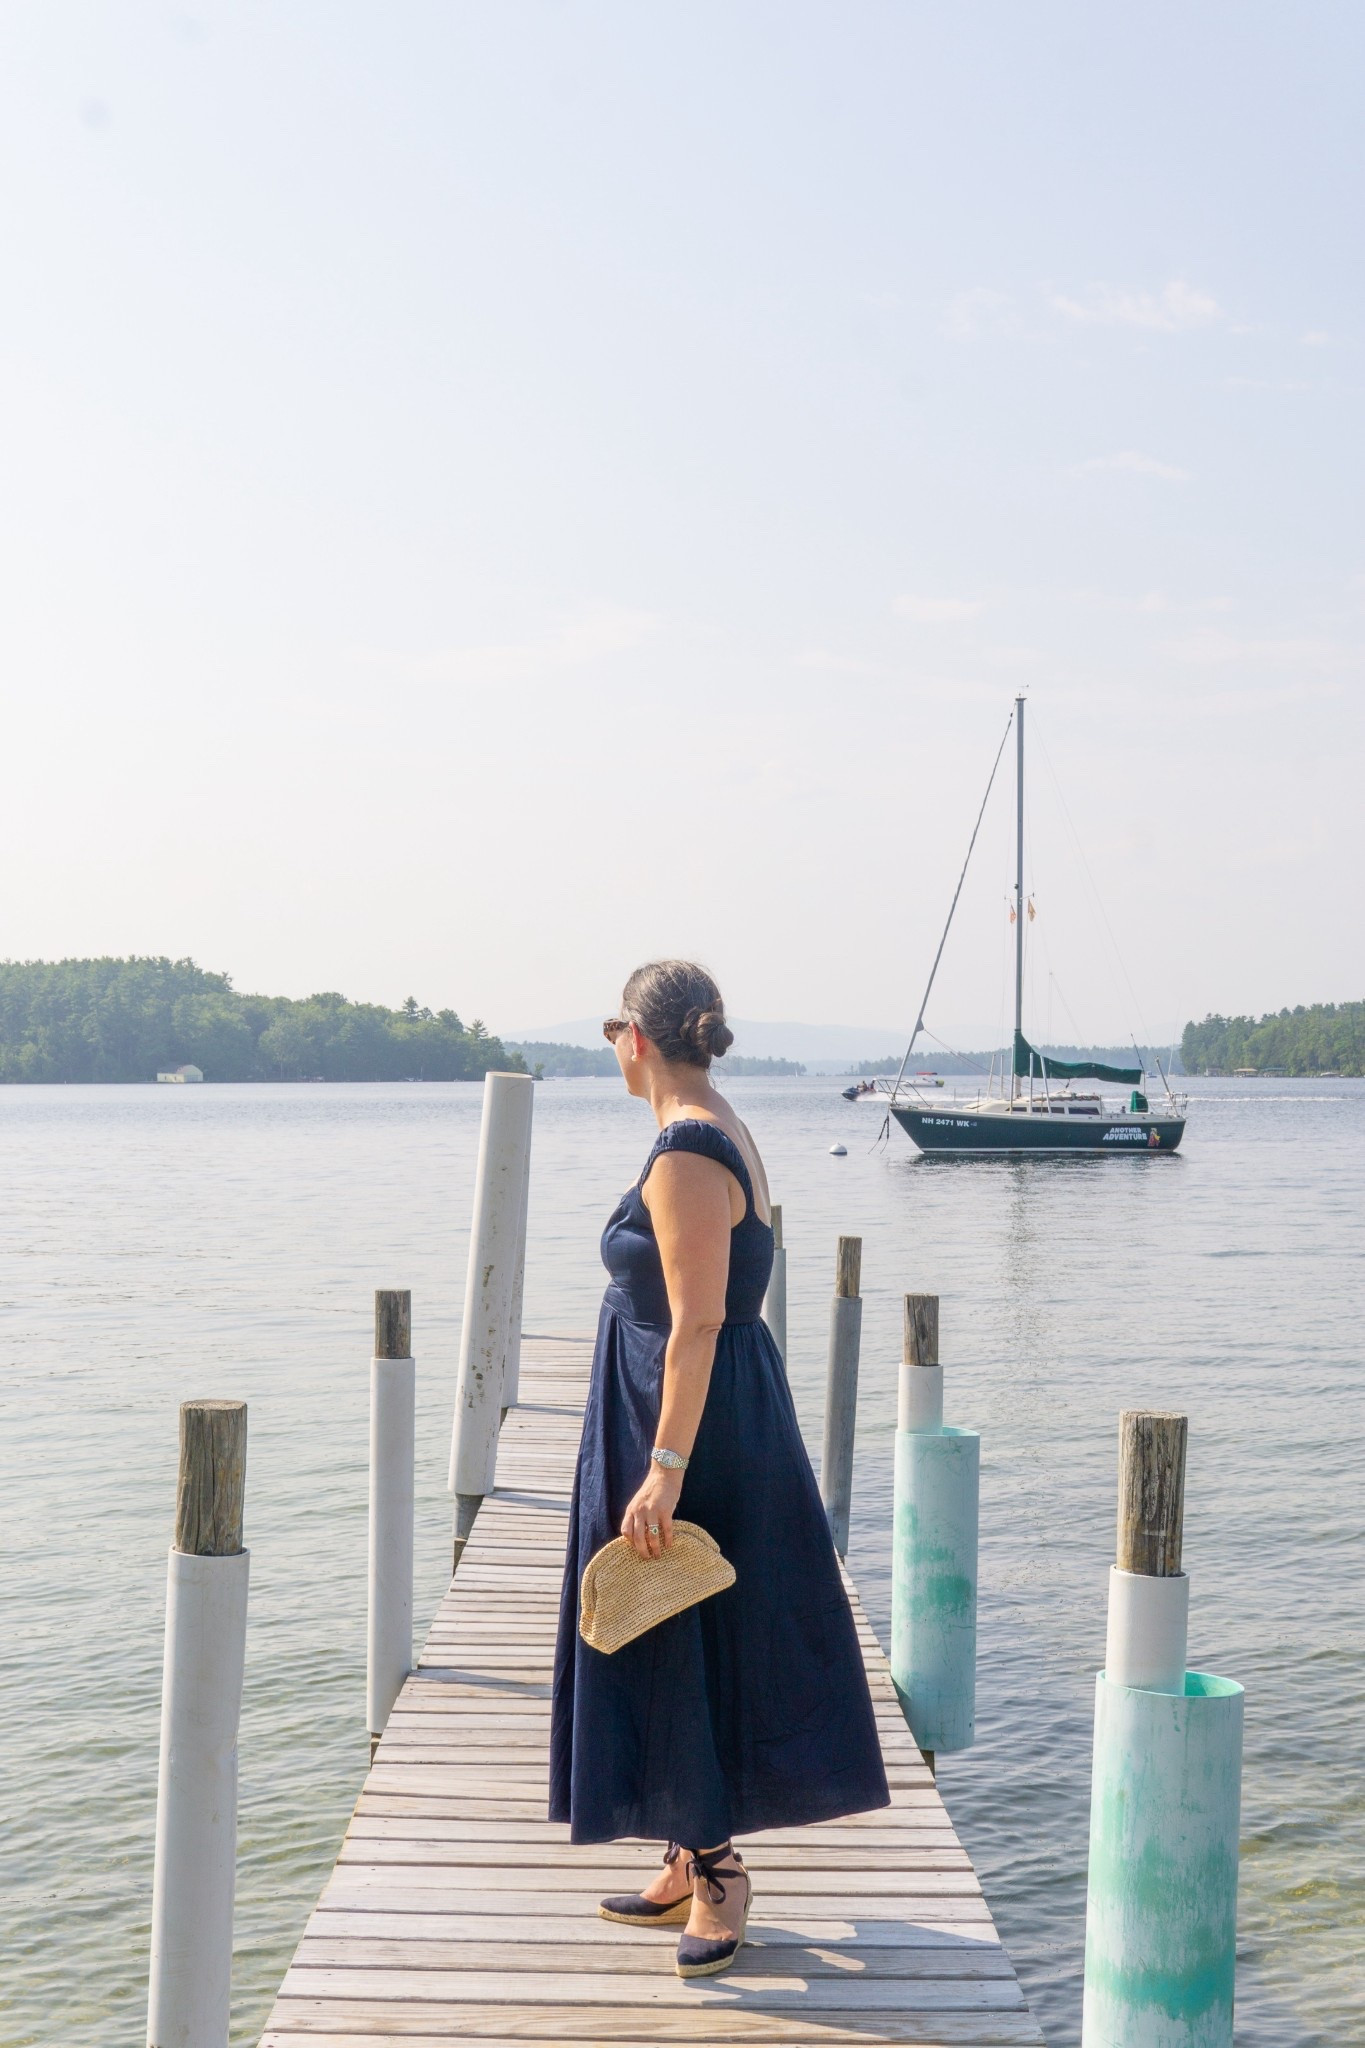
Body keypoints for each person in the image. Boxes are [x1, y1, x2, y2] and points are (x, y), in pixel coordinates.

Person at [549, 959, 889, 1980]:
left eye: (613, 1026)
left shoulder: (686, 1149)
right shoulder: (709, 1123)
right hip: (696, 1408)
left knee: (668, 1624)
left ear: (637, 1037)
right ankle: (681, 1844)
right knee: (674, 1630)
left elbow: (696, 1318)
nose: (611, 1045)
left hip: (687, 1424)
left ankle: (719, 1870)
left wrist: (660, 1468)